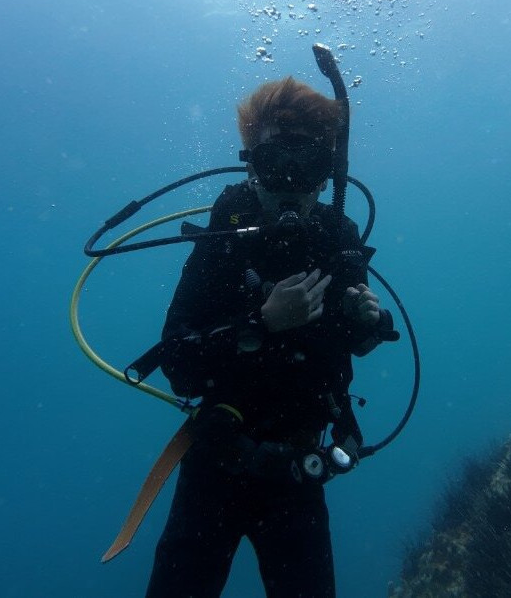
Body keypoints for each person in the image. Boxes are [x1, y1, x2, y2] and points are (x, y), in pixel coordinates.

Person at [144, 76, 397, 598]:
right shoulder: (225, 236)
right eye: (273, 163)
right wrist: (260, 324)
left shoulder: (337, 237)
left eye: (307, 166)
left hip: (299, 471)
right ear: (250, 168)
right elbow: (178, 363)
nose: (289, 182)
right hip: (216, 461)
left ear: (328, 175)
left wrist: (367, 322)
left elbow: (350, 344)